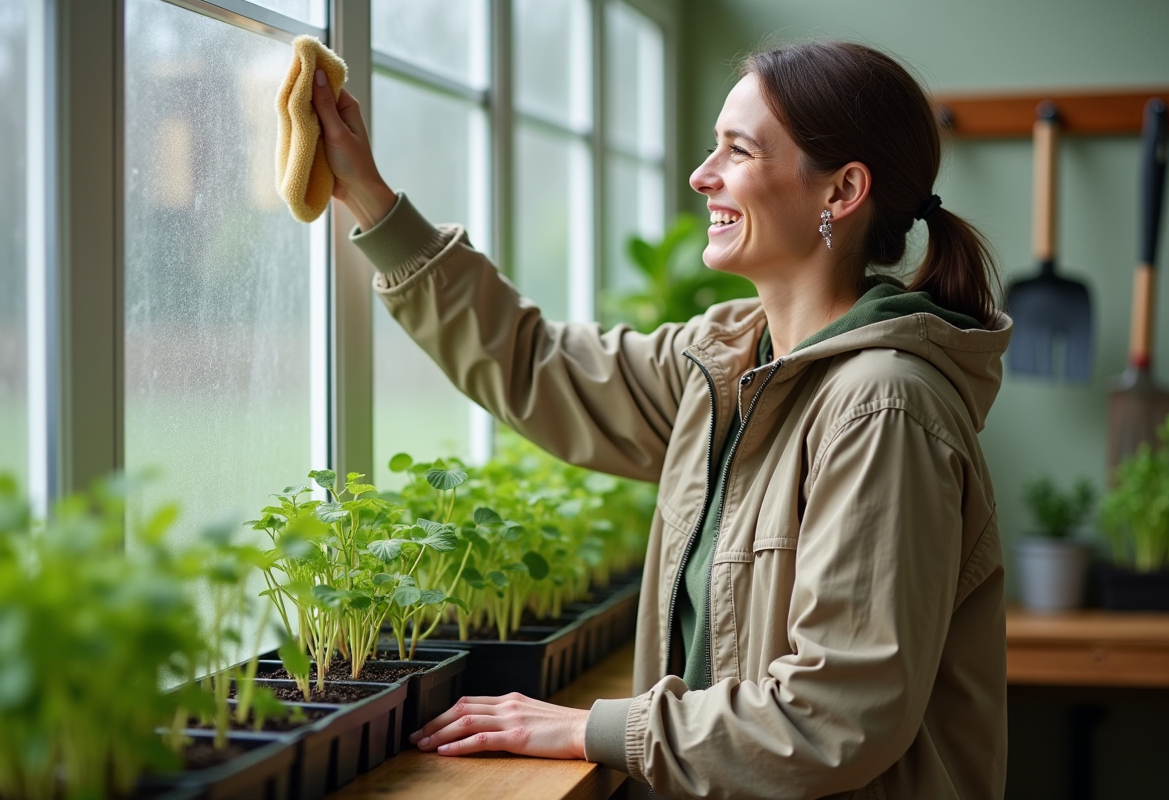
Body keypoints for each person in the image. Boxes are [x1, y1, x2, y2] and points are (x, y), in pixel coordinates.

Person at [312, 39, 1011, 800]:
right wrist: (369, 196)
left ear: (841, 191)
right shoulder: (727, 361)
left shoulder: (883, 408)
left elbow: (834, 717)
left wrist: (589, 728)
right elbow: (537, 365)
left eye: (738, 151)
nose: (702, 175)